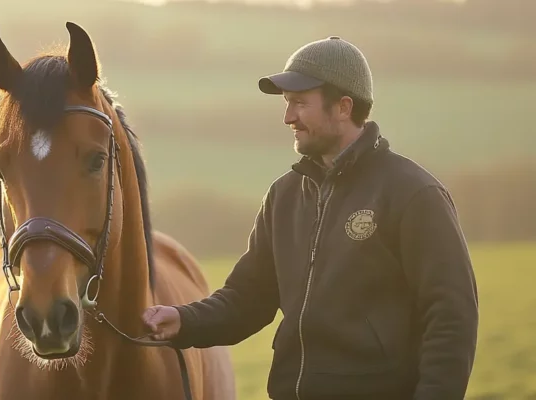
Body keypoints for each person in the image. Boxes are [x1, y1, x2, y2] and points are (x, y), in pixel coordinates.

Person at [142, 36, 479, 400]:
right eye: (287, 104)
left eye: (300, 103)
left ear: (343, 107)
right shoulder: (284, 196)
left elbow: (451, 317)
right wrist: (184, 320)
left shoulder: (414, 194)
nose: (288, 117)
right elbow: (247, 299)